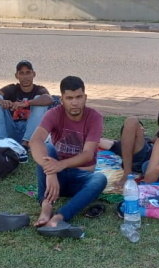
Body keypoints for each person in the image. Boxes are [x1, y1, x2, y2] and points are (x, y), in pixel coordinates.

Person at [29, 76, 108, 237]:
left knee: (100, 179)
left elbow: (87, 155)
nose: (75, 102)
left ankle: (59, 217)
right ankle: (46, 207)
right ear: (62, 100)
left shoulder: (94, 117)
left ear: (85, 97)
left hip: (79, 175)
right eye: (69, 98)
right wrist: (50, 171)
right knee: (47, 149)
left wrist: (60, 165)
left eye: (79, 97)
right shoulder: (54, 114)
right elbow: (35, 141)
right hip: (54, 178)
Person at [0, 60, 54, 149]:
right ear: (17, 76)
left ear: (34, 74)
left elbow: (49, 99)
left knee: (39, 101)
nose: (25, 77)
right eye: (21, 73)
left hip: (31, 132)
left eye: (28, 73)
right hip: (12, 130)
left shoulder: (39, 89)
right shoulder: (12, 88)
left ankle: (26, 144)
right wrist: (1, 101)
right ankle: (0, 142)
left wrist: (26, 103)